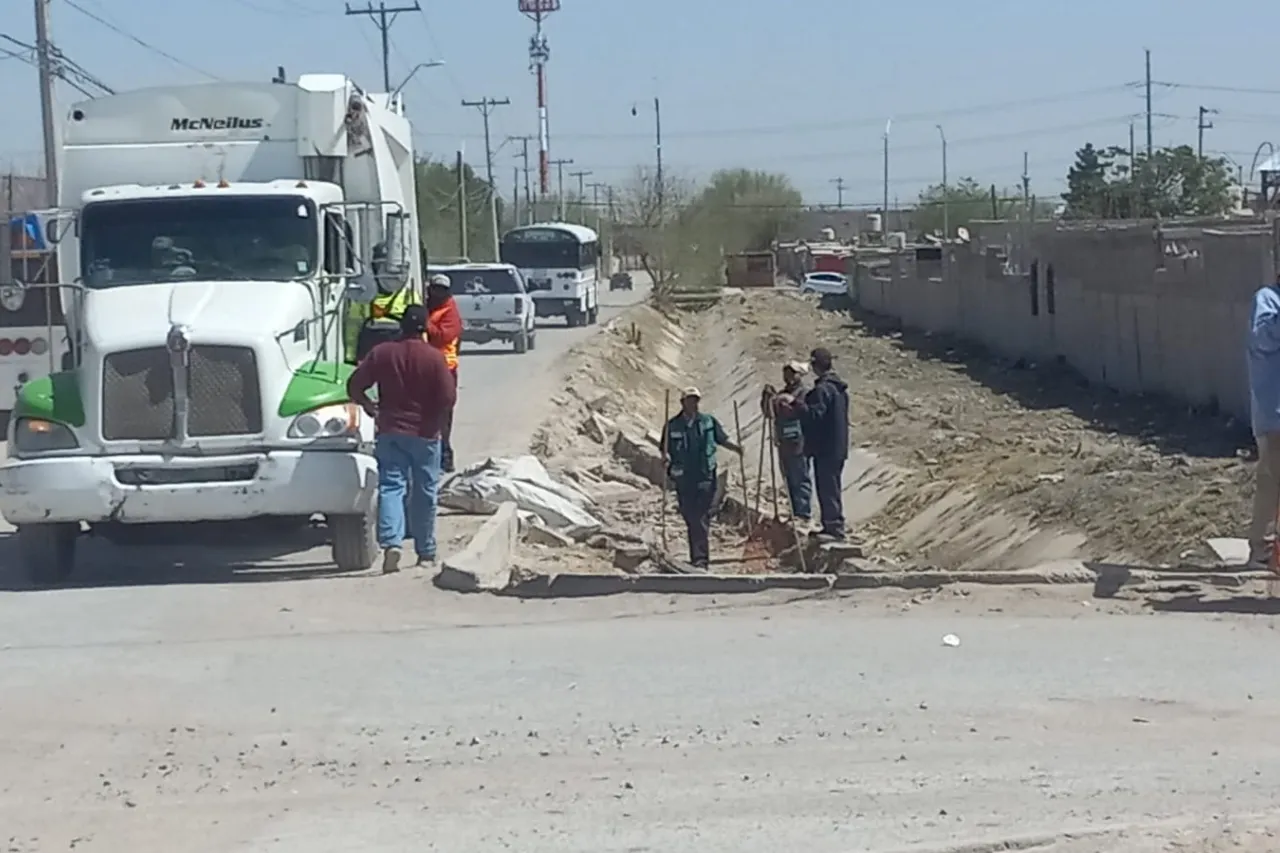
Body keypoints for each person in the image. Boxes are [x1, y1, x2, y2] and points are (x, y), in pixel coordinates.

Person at [346, 304, 457, 575]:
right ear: (424, 329)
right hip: (425, 433)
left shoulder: (383, 353)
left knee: (391, 487)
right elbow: (448, 398)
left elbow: (354, 386)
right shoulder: (433, 358)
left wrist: (371, 407)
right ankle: (425, 552)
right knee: (425, 492)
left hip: (390, 430)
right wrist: (440, 430)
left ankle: (392, 544)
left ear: (402, 326)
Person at [662, 386, 742, 568]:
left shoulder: (708, 422)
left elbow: (722, 439)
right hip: (684, 479)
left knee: (700, 516)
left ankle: (700, 559)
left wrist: (736, 448)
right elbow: (665, 450)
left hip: (705, 477)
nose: (694, 404)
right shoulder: (672, 425)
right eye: (690, 400)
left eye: (696, 400)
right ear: (683, 403)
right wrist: (665, 459)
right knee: (690, 516)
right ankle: (697, 556)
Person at [792, 347, 850, 540]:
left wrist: (798, 406)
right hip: (837, 446)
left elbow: (815, 416)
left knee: (827, 487)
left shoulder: (823, 389)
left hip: (826, 448)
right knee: (831, 485)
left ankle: (833, 526)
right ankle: (832, 524)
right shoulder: (839, 389)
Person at [1247, 275, 1280, 569]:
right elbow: (1262, 337)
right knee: (1273, 480)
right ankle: (1262, 547)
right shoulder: (1267, 300)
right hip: (1275, 414)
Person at [344, 243, 422, 365]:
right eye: (382, 268)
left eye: (394, 270)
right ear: (374, 268)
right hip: (371, 361)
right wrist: (350, 358)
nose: (390, 276)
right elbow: (352, 329)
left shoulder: (410, 296)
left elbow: (421, 330)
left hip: (400, 361)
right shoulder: (363, 296)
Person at [763, 361, 813, 527]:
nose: (788, 377)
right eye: (786, 373)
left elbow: (805, 413)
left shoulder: (805, 394)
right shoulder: (782, 394)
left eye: (792, 373)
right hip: (784, 441)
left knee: (800, 477)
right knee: (788, 477)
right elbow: (769, 414)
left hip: (799, 442)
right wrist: (767, 399)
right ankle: (793, 511)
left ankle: (803, 513)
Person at [426, 273, 463, 473]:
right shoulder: (429, 306)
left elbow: (443, 336)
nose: (437, 293)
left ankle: (445, 457)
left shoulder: (450, 311)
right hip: (427, 366)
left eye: (442, 290)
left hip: (445, 368)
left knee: (443, 415)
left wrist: (423, 322)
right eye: (434, 289)